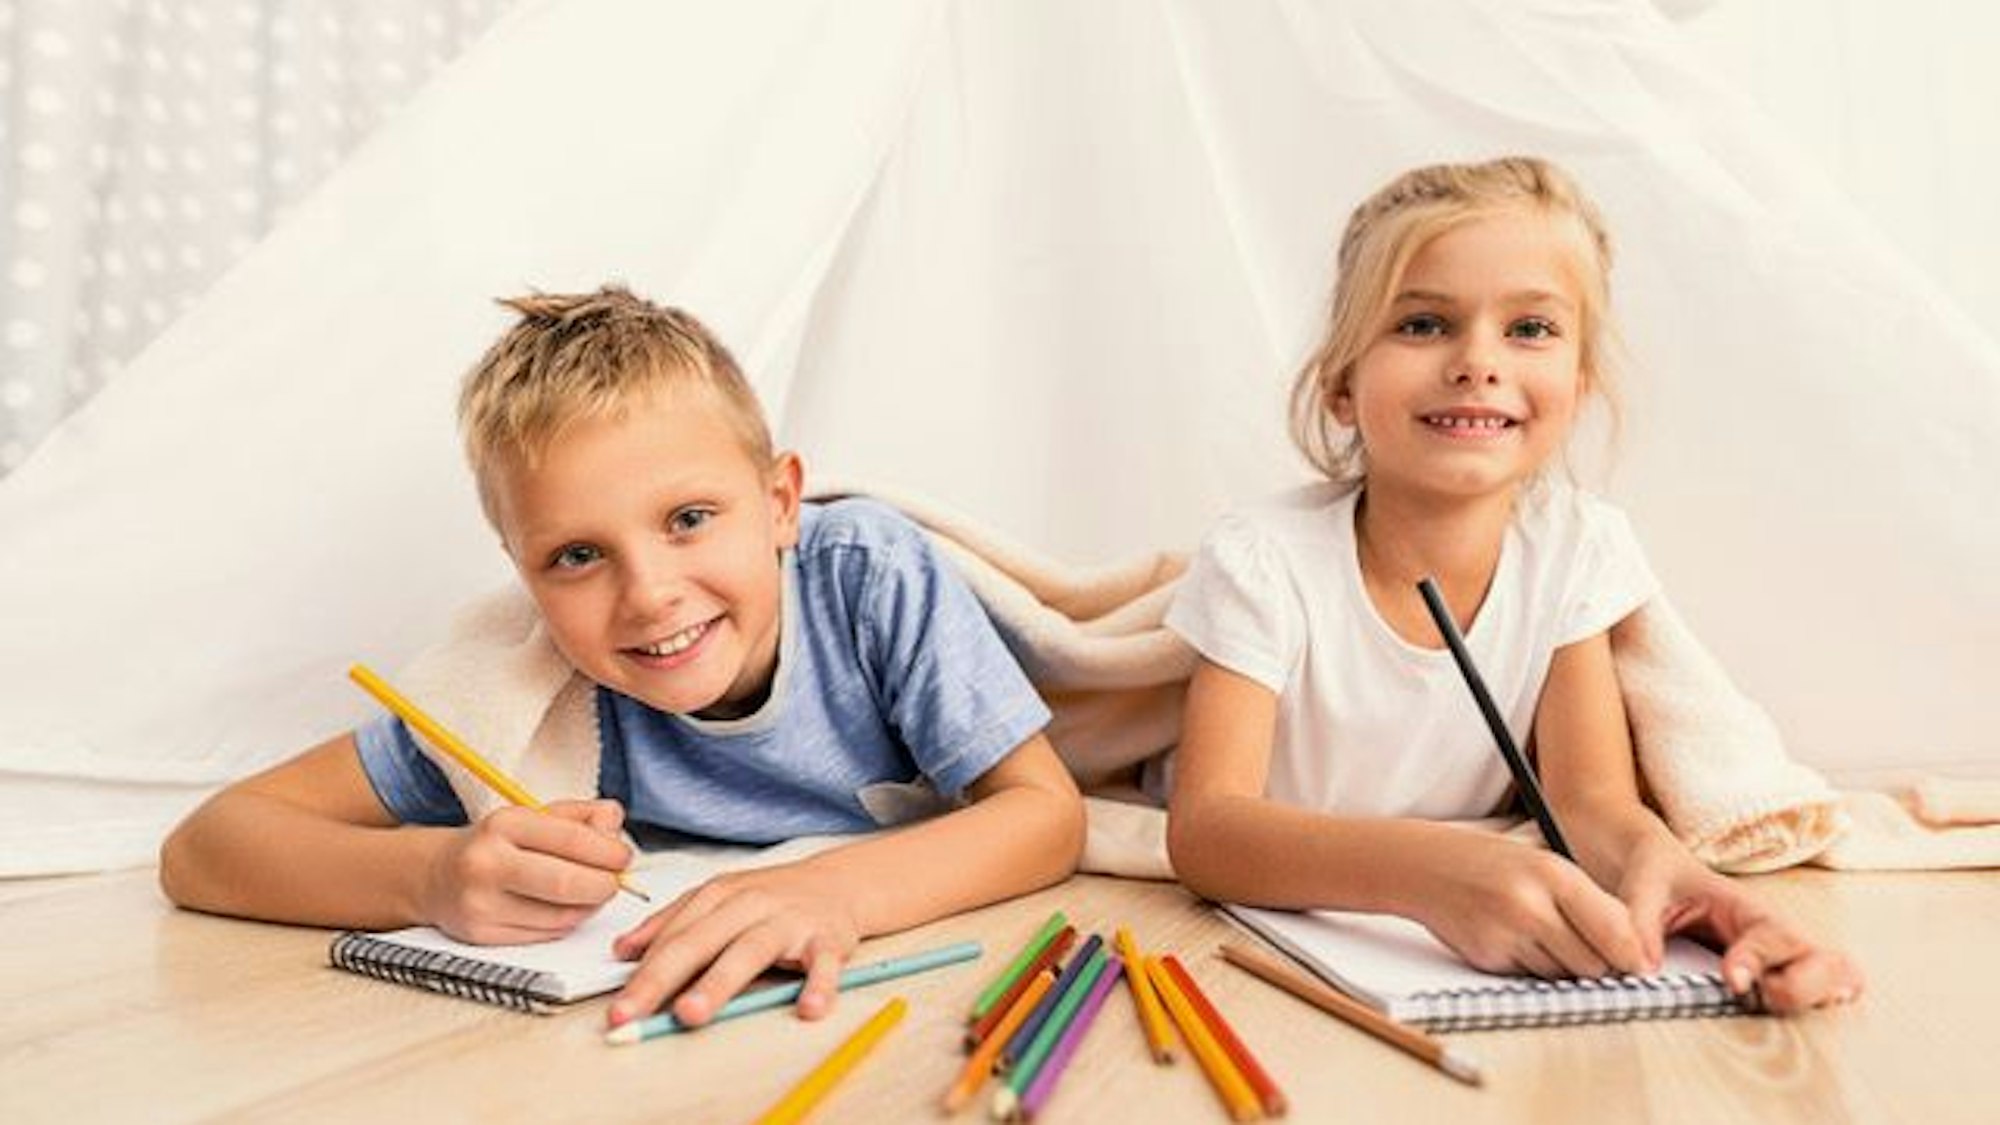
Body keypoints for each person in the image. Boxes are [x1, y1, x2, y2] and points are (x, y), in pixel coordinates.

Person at [160, 285, 1085, 1028]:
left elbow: (1047, 813)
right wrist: (433, 875)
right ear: (524, 573)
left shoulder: (868, 577)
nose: (648, 593)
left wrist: (833, 893)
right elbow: (206, 847)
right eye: (576, 556)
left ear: (778, 504)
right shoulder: (522, 683)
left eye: (689, 519)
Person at [1162, 156, 1861, 1011]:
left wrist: (1688, 885)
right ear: (1342, 384)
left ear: (1580, 384)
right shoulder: (1264, 560)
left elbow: (1593, 803)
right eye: (1422, 324)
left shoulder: (1575, 550)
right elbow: (1206, 829)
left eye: (1530, 329)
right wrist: (1432, 872)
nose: (1476, 362)